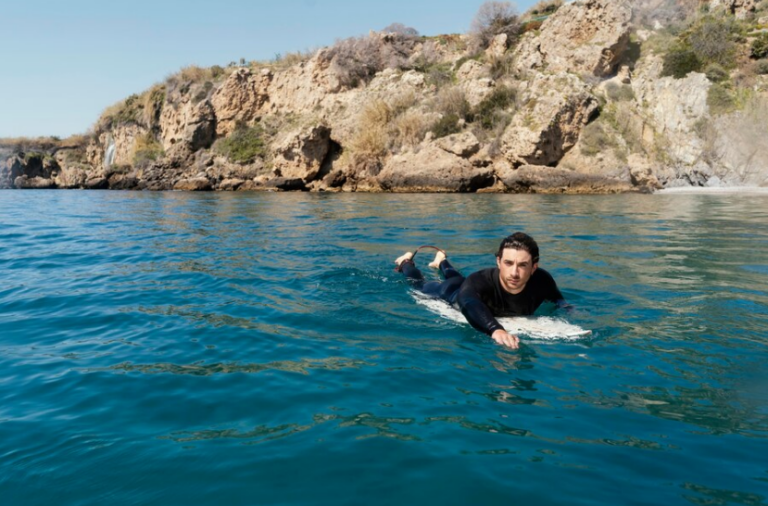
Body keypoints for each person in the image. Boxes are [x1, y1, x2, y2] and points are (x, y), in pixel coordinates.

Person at [394, 232, 564, 349]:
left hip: (463, 283)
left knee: (457, 277)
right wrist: (495, 328)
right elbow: (469, 303)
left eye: (522, 265)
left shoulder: (542, 280)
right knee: (418, 283)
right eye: (508, 263)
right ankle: (406, 262)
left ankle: (441, 261)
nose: (514, 273)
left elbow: (557, 298)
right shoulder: (481, 280)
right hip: (450, 293)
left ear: (534, 267)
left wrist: (567, 309)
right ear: (498, 261)